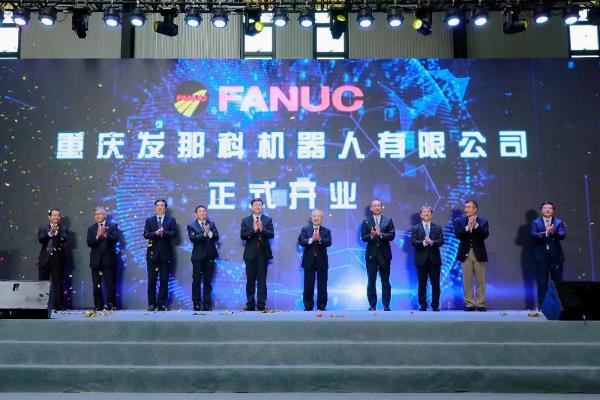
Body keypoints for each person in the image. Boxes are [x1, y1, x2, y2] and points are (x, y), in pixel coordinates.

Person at [453, 200, 489, 311]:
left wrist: (476, 226)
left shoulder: (483, 222)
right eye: (465, 207)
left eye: (468, 207)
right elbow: (458, 234)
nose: (466, 209)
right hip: (465, 254)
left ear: (475, 209)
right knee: (467, 280)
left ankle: (481, 304)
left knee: (480, 280)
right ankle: (469, 304)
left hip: (479, 253)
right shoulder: (460, 221)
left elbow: (485, 234)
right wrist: (467, 227)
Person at [240, 198, 274, 311]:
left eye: (260, 204)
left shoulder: (268, 219)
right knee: (250, 280)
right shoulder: (246, 220)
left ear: (262, 206)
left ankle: (261, 304)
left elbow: (271, 234)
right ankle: (250, 304)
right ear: (251, 207)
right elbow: (243, 235)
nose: (258, 206)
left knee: (262, 280)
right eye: (255, 205)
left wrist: (262, 229)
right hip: (250, 254)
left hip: (263, 253)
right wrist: (254, 231)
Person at [361, 199, 395, 311]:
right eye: (374, 206)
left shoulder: (388, 220)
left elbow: (392, 235)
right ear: (371, 208)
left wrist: (381, 234)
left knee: (385, 281)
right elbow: (363, 238)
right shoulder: (366, 221)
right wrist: (371, 235)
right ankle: (372, 305)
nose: (376, 207)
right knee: (371, 281)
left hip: (384, 255)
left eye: (378, 205)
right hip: (371, 255)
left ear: (382, 207)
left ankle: (386, 305)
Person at [143, 199, 177, 311]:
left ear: (165, 208)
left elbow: (174, 233)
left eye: (162, 205)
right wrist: (155, 233)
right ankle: (152, 304)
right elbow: (146, 234)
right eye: (157, 205)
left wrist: (165, 232)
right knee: (152, 281)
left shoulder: (171, 220)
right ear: (155, 208)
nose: (159, 207)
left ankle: (162, 304)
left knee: (164, 280)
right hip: (152, 255)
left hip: (165, 255)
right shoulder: (149, 220)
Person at [530, 201, 566, 308]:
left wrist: (553, 232)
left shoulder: (558, 222)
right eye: (545, 208)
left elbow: (562, 235)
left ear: (553, 210)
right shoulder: (535, 222)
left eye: (550, 208)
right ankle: (542, 306)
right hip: (541, 257)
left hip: (556, 257)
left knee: (558, 282)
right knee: (542, 282)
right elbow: (533, 235)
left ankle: (559, 306)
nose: (547, 209)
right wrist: (546, 233)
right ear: (541, 211)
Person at [411, 206, 444, 311]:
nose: (426, 213)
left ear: (431, 214)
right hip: (421, 260)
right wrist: (424, 243)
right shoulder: (416, 228)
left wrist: (432, 242)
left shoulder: (437, 227)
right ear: (421, 215)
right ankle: (423, 305)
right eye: (424, 212)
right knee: (422, 284)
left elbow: (441, 241)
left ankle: (435, 305)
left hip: (435, 260)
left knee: (435, 284)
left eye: (428, 212)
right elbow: (413, 242)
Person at [86, 207, 120, 311]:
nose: (98, 216)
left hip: (109, 260)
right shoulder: (91, 228)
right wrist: (96, 237)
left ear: (105, 215)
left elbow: (116, 239)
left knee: (110, 285)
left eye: (100, 214)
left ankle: (111, 304)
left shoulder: (113, 226)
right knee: (96, 285)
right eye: (96, 214)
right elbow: (89, 243)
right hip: (96, 261)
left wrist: (105, 235)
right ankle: (98, 305)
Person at [298, 209, 332, 311]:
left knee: (322, 284)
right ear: (311, 218)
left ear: (322, 219)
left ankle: (322, 306)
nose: (316, 218)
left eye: (318, 216)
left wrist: (320, 239)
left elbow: (329, 242)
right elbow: (301, 241)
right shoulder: (305, 229)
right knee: (308, 284)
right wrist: (311, 239)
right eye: (314, 216)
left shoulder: (326, 231)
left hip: (322, 261)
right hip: (309, 261)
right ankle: (308, 306)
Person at [187, 205, 219, 311]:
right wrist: (204, 234)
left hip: (209, 256)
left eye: (204, 211)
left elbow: (216, 237)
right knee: (196, 281)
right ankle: (196, 304)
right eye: (200, 211)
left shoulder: (211, 224)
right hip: (197, 257)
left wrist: (209, 232)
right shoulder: (191, 225)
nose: (202, 213)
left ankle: (206, 304)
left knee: (208, 282)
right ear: (196, 214)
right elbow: (193, 238)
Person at [37, 208, 68, 311]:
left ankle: (57, 305)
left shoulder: (63, 228)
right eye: (54, 215)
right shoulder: (43, 228)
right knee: (42, 283)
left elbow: (64, 239)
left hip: (58, 259)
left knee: (57, 283)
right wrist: (49, 234)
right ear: (49, 216)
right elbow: (41, 239)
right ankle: (41, 305)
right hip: (44, 259)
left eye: (58, 215)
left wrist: (56, 233)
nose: (56, 217)